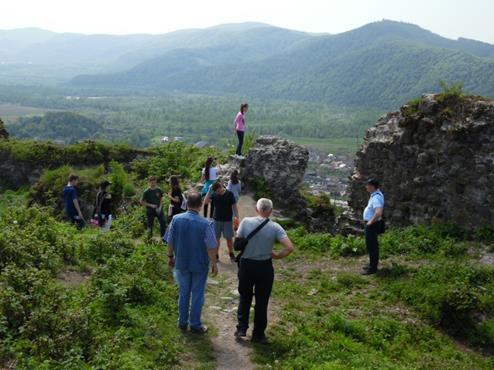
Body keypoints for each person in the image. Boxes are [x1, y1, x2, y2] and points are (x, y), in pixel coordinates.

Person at [235, 198, 294, 342]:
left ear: (257, 209)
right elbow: (289, 247)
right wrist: (277, 256)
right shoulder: (275, 227)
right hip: (264, 266)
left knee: (245, 297)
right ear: (271, 211)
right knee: (262, 301)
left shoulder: (246, 222)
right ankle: (258, 334)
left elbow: (238, 242)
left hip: (247, 264)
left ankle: (241, 328)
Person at [164, 191, 218, 334]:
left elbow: (170, 241)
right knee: (197, 294)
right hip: (200, 264)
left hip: (181, 262)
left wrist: (170, 257)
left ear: (186, 204)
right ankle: (195, 324)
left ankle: (182, 322)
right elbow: (212, 246)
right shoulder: (206, 224)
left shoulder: (176, 219)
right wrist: (214, 263)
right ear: (201, 206)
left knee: (183, 293)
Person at [204, 182, 239, 263]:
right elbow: (205, 202)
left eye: (218, 191)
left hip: (227, 220)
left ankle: (231, 253)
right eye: (215, 191)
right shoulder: (214, 193)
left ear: (220, 187)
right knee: (216, 239)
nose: (217, 193)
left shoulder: (230, 194)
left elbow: (234, 206)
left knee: (229, 239)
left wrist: (236, 217)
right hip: (216, 220)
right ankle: (216, 255)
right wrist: (209, 191)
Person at [362, 179, 385, 275]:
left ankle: (372, 268)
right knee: (371, 246)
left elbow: (378, 212)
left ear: (372, 186)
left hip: (372, 224)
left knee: (372, 246)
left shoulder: (376, 198)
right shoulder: (376, 195)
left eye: (367, 185)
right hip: (373, 224)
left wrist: (370, 222)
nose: (366, 187)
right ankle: (372, 264)